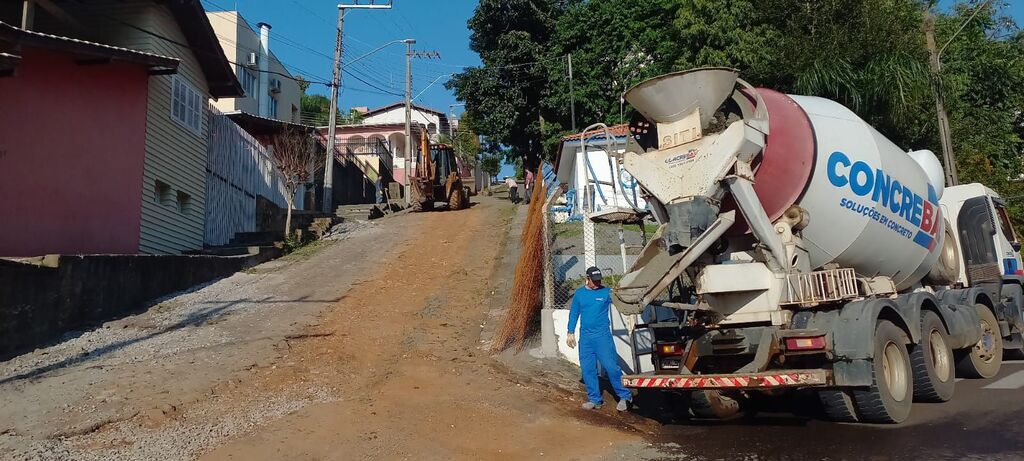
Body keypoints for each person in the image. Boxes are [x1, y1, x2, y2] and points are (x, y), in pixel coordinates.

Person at [567, 266, 632, 411]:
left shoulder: (606, 292)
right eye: (594, 281)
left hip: (602, 337)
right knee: (588, 369)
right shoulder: (580, 294)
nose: (597, 283)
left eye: (599, 280)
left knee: (611, 367)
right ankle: (595, 399)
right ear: (587, 279)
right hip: (586, 338)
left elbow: (622, 302)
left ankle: (625, 396)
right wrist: (570, 332)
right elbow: (574, 313)